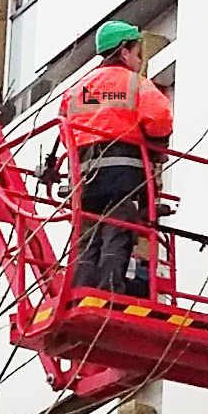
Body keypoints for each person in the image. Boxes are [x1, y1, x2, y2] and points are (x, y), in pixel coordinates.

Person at [60, 20, 174, 296]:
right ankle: (110, 291)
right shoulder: (135, 84)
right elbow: (160, 120)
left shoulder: (77, 90)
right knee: (118, 229)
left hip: (84, 174)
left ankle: (81, 291)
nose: (138, 60)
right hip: (123, 170)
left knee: (88, 236)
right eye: (137, 53)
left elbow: (65, 132)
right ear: (124, 51)